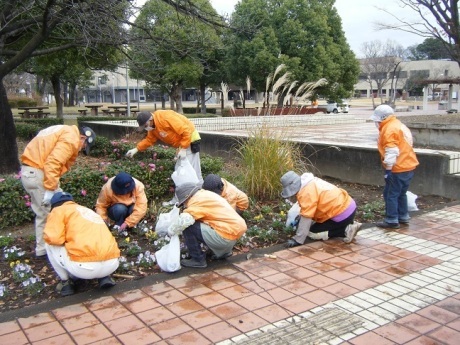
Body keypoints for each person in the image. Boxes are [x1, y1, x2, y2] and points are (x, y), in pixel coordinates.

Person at [20, 125, 96, 258]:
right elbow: (53, 162)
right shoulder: (71, 137)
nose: (80, 150)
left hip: (32, 172)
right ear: (83, 138)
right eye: (83, 146)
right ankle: (46, 251)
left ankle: (48, 247)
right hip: (39, 173)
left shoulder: (63, 130)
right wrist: (50, 189)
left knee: (56, 207)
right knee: (47, 213)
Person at [44, 192, 120, 297]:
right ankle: (104, 277)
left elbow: (53, 239)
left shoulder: (58, 211)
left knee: (49, 244)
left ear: (54, 205)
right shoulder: (86, 210)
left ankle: (66, 283)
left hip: (84, 268)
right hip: (112, 263)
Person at [125, 110, 203, 204]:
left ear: (150, 119)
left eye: (145, 126)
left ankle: (186, 199)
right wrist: (136, 149)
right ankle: (196, 196)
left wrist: (183, 148)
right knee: (187, 172)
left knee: (185, 172)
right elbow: (150, 140)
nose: (146, 128)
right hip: (183, 144)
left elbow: (186, 131)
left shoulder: (166, 118)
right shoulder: (153, 126)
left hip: (190, 141)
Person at [167, 182, 247, 268]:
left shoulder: (196, 201)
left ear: (188, 196)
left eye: (183, 202)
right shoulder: (205, 195)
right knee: (200, 222)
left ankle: (197, 260)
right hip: (233, 235)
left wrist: (170, 231)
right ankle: (224, 253)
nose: (185, 205)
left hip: (225, 238)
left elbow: (184, 221)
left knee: (189, 227)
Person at [280, 171, 362, 247]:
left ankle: (346, 230)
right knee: (313, 225)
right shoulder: (309, 182)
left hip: (342, 213)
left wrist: (297, 240)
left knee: (312, 232)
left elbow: (307, 218)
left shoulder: (306, 193)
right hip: (348, 206)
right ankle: (348, 223)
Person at [370, 104, 419, 229]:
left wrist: (388, 170)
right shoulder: (398, 124)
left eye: (377, 120)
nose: (376, 123)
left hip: (398, 167)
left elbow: (391, 151)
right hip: (408, 165)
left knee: (390, 194)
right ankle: (403, 216)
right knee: (401, 193)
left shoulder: (389, 129)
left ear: (382, 118)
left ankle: (391, 220)